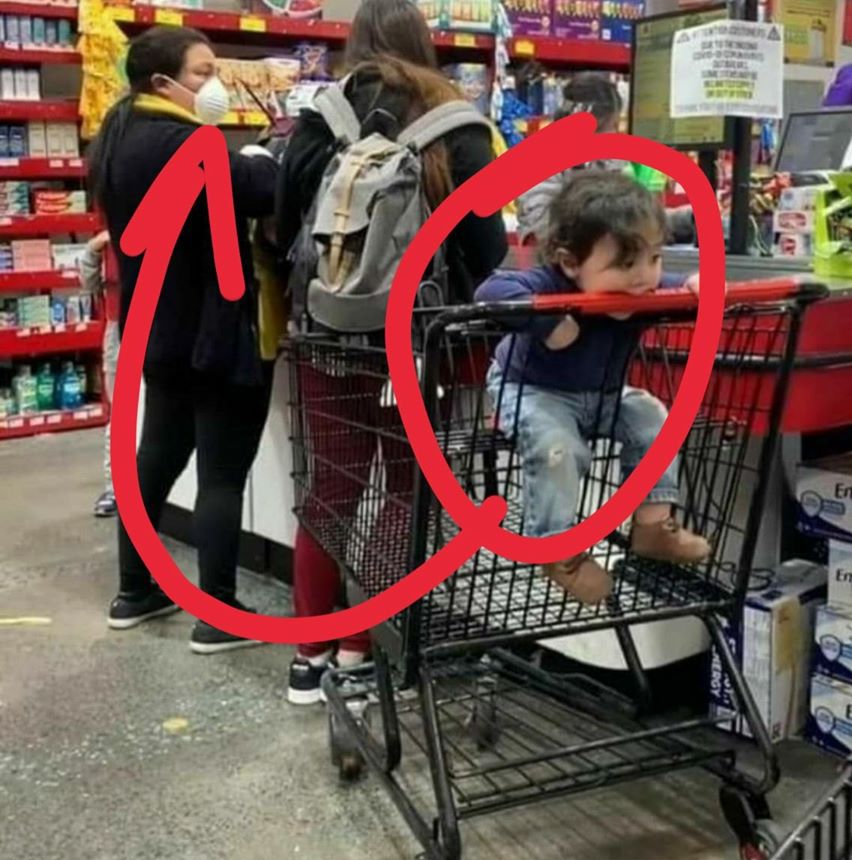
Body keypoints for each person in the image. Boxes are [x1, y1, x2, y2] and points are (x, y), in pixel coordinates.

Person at [276, 0, 508, 705]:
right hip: (418, 347)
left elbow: (286, 227)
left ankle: (310, 655)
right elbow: (491, 252)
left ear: (354, 43)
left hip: (326, 337)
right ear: (425, 45)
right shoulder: (458, 126)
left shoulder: (321, 118)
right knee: (406, 490)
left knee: (330, 491)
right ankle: (362, 648)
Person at [87, 26, 278, 653]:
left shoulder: (120, 137)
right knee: (222, 474)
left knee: (155, 461)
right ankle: (219, 613)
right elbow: (258, 192)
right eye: (201, 73)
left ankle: (135, 590)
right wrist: (265, 156)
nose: (213, 84)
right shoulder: (185, 142)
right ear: (161, 82)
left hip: (155, 331)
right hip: (211, 333)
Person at [478, 170, 710, 605]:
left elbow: (669, 285)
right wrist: (547, 319)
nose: (645, 277)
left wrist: (692, 285)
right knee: (555, 446)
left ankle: (653, 526)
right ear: (569, 263)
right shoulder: (550, 282)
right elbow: (492, 290)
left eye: (654, 258)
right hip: (532, 389)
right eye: (625, 264)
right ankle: (558, 549)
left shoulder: (642, 287)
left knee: (652, 417)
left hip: (602, 395)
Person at [516, 72, 625, 244]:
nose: (614, 134)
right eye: (610, 126)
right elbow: (538, 231)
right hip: (556, 260)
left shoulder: (609, 159)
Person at [79, 230, 120, 518]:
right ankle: (116, 489)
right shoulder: (107, 241)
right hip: (118, 331)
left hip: (159, 327)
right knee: (120, 416)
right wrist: (94, 248)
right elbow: (88, 283)